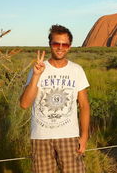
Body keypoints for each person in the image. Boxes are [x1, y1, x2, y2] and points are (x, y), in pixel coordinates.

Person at [20, 24, 90, 173]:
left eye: (64, 44)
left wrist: (84, 136)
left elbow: (84, 105)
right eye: (56, 43)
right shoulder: (37, 69)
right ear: (50, 44)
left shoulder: (76, 70)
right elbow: (24, 104)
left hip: (69, 137)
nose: (60, 47)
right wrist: (36, 76)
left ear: (69, 46)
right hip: (40, 138)